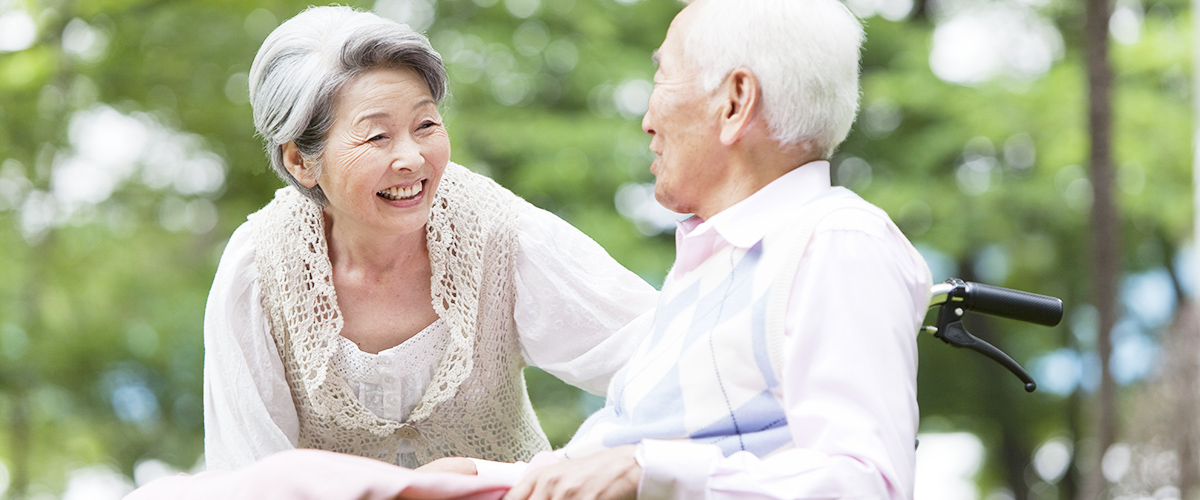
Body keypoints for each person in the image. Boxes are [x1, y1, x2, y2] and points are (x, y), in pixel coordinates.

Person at [425, 0, 933, 499]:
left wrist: (650, 471)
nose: (647, 120)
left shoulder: (837, 241)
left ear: (735, 101)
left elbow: (869, 484)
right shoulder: (712, 262)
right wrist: (484, 478)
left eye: (662, 79)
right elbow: (625, 456)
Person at [202, 5, 658, 471]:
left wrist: (550, 472)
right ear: (300, 160)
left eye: (426, 125)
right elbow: (248, 472)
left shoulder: (501, 235)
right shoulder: (258, 270)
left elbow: (668, 362)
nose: (412, 159)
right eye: (377, 137)